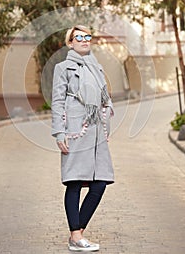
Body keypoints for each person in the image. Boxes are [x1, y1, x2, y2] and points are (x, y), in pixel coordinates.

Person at [51, 25, 114, 252]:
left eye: (88, 36)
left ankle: (78, 233)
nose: (85, 40)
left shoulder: (96, 67)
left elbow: (104, 97)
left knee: (100, 183)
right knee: (75, 182)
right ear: (70, 43)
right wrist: (59, 132)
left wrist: (106, 119)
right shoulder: (63, 68)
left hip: (96, 131)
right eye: (79, 37)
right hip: (76, 129)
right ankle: (76, 236)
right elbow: (57, 101)